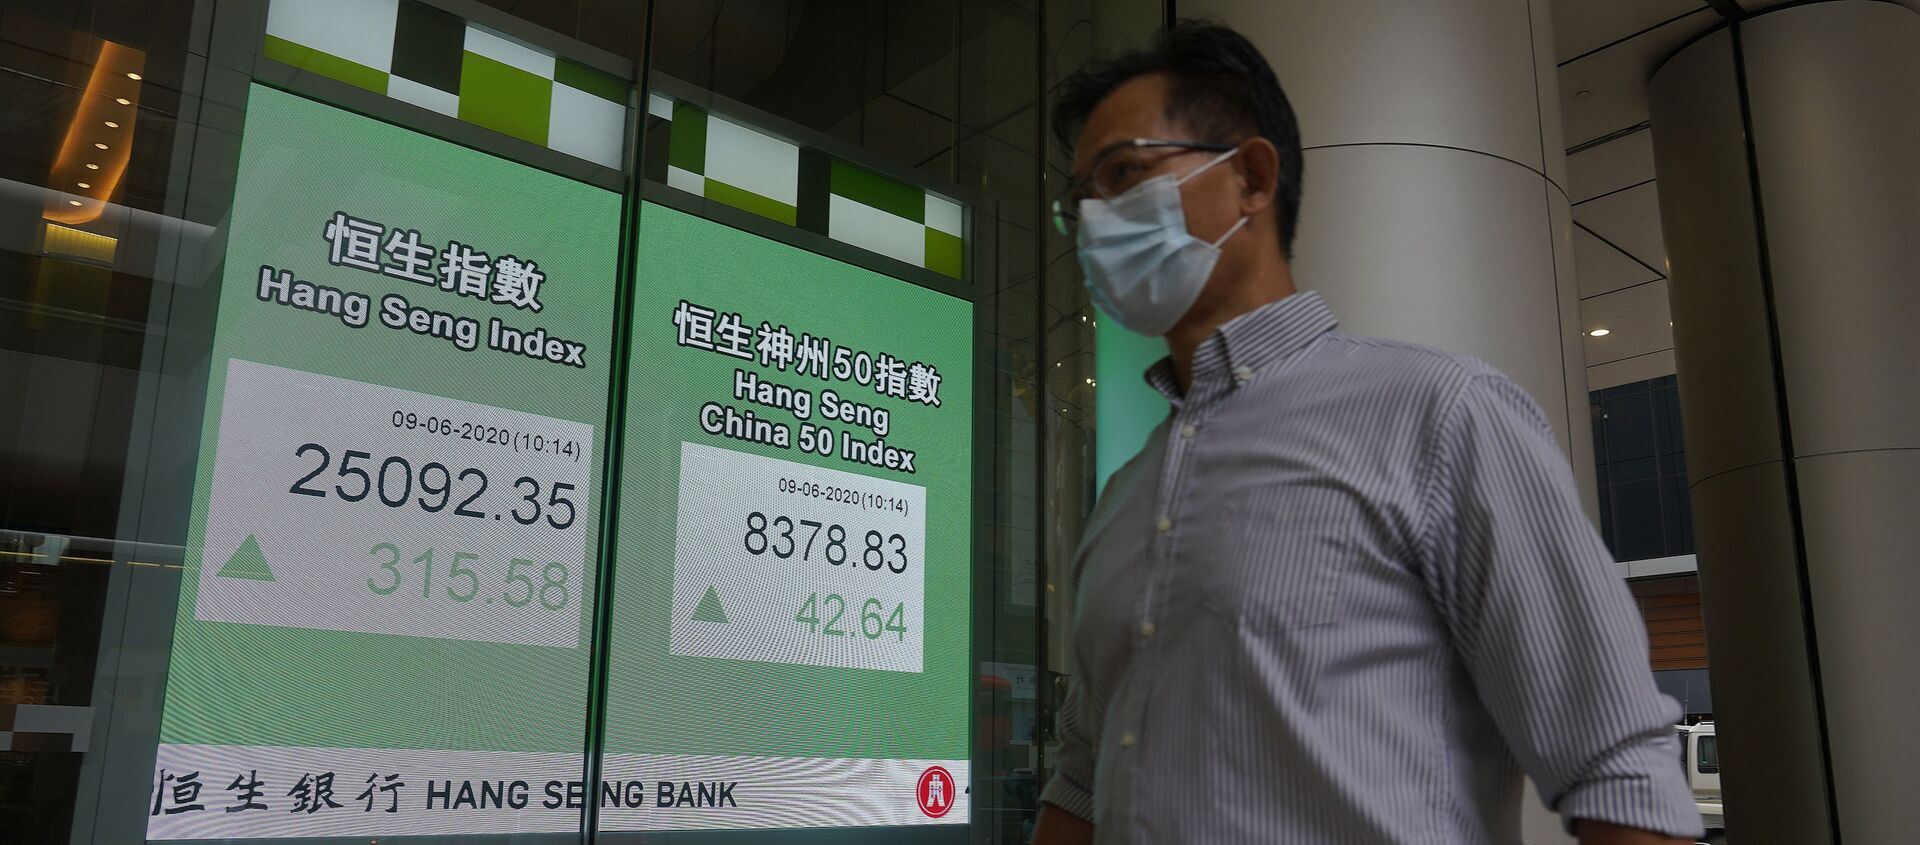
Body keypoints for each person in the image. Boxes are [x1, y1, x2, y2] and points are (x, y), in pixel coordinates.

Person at [1031, 20, 1703, 845]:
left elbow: (1619, 770)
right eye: (1079, 202)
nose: (1096, 220)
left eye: (1123, 174)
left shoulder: (1441, 415)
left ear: (1248, 176)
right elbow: (1081, 780)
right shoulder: (1125, 498)